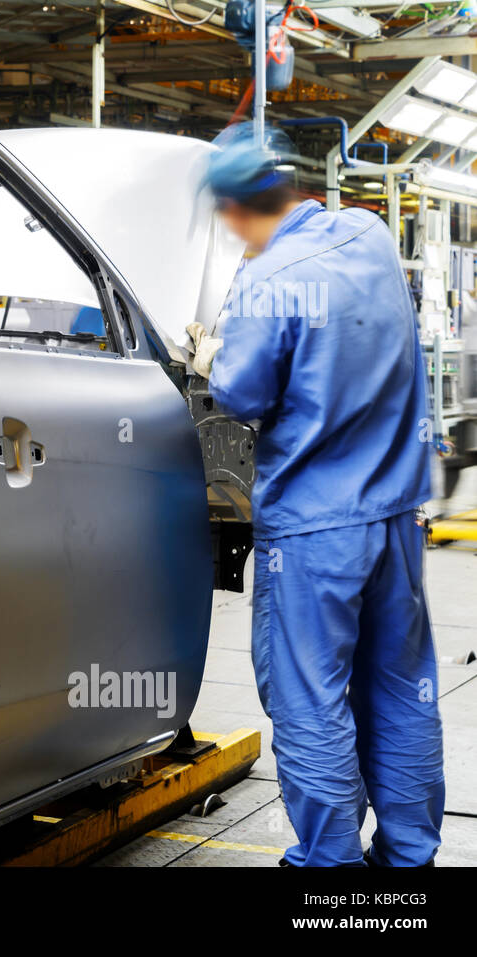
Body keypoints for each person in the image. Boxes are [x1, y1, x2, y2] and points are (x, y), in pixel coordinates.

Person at [187, 123, 444, 867]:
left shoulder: (266, 279)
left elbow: (241, 390)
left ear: (237, 209)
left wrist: (213, 351)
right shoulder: (367, 236)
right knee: (400, 687)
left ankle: (329, 868)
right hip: (395, 514)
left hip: (313, 531)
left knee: (310, 696)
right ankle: (407, 859)